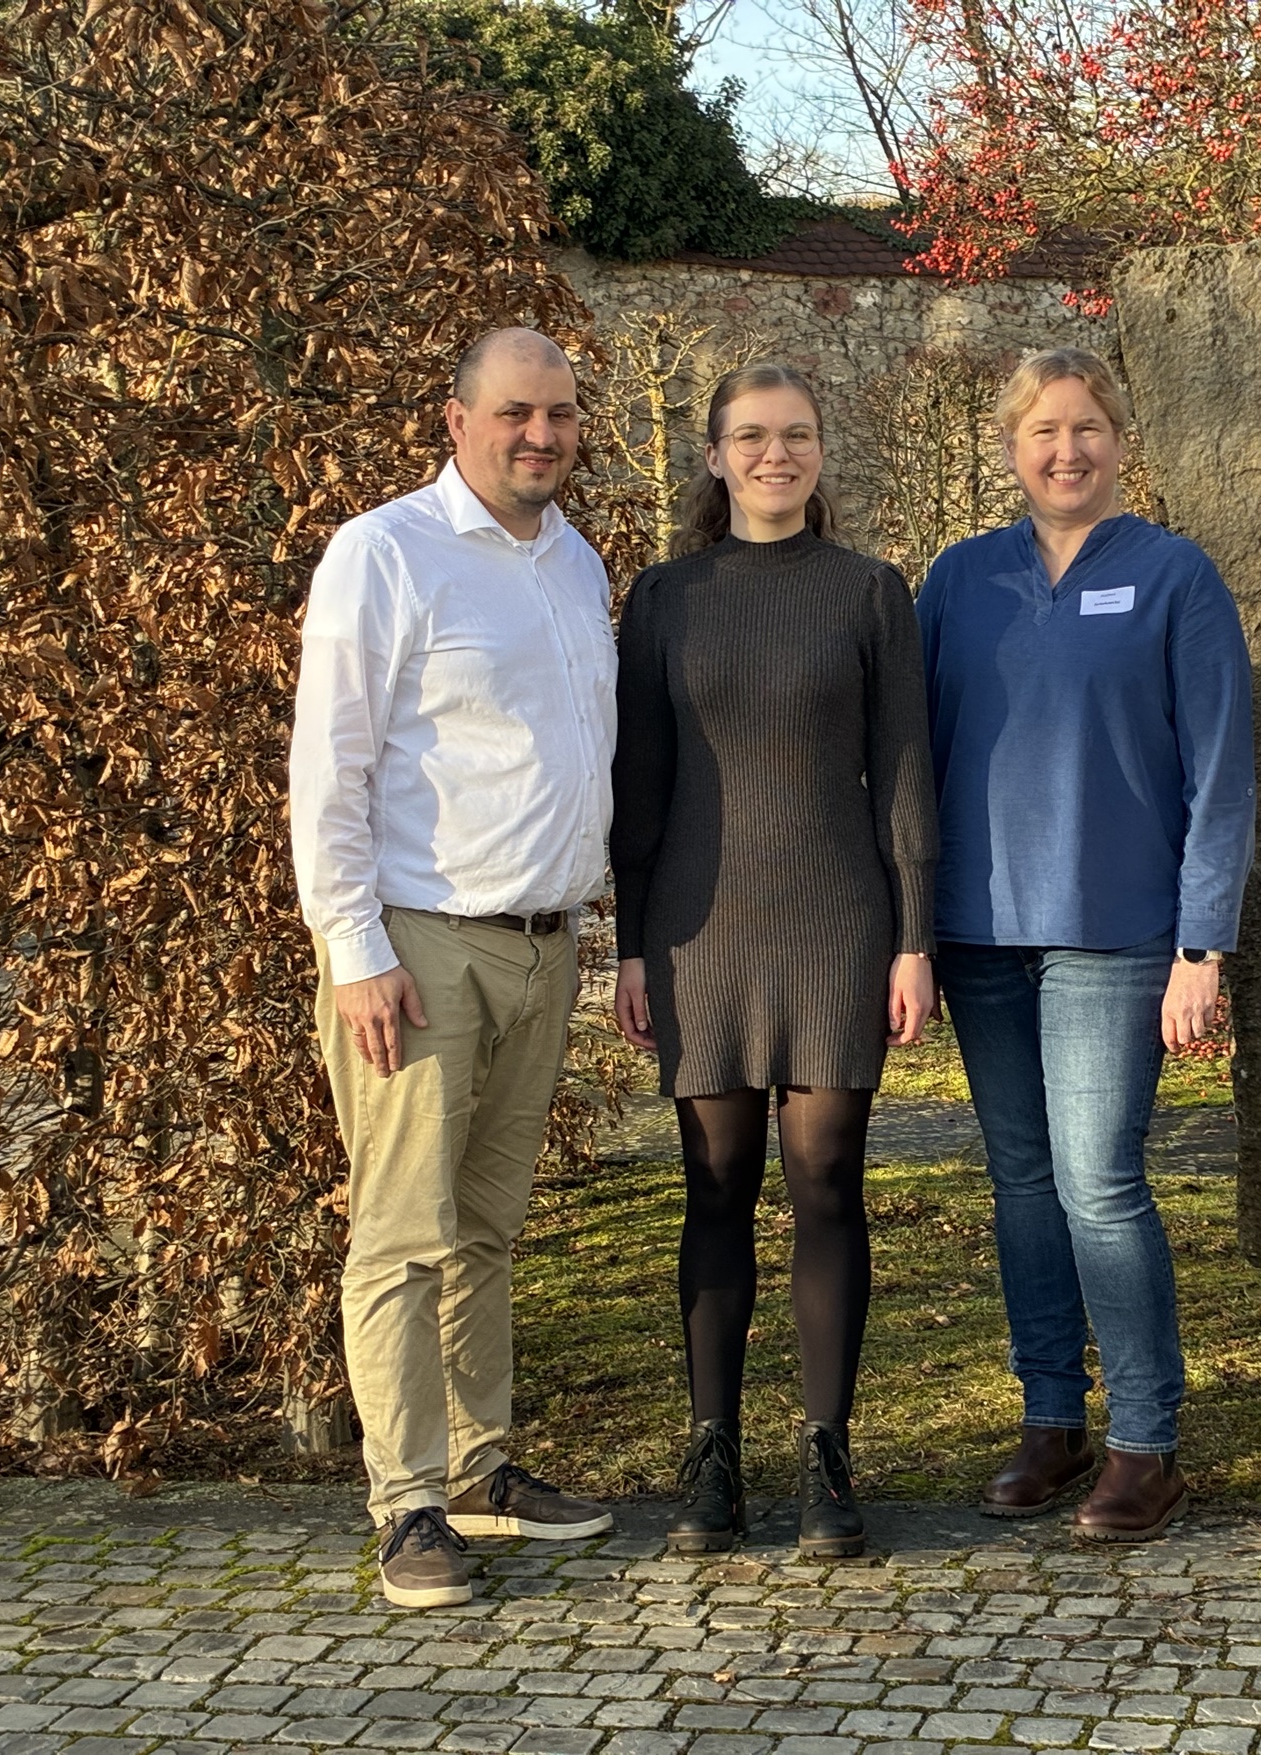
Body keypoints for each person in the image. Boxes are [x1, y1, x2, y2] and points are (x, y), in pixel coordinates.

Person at [289, 327, 619, 1611]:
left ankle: (481, 1471)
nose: (542, 435)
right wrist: (354, 948)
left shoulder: (574, 561)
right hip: (420, 945)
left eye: (560, 414)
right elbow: (332, 765)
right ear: (457, 420)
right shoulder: (387, 553)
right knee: (403, 1233)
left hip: (544, 943)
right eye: (516, 413)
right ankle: (408, 1507)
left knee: (485, 1228)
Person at [918, 346, 1255, 1543]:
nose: (1067, 451)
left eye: (1088, 428)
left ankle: (1145, 1443)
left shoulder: (1174, 577)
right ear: (1011, 448)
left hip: (1118, 936)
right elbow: (908, 762)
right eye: (1043, 432)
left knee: (1100, 1184)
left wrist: (1203, 947)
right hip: (979, 930)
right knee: (1021, 1182)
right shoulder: (959, 580)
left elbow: (1221, 774)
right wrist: (908, 930)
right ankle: (1051, 1418)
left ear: (1121, 440)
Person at [611, 361, 938, 1560]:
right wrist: (629, 944)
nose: (774, 454)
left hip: (835, 921)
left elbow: (904, 775)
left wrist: (914, 938)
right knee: (714, 1185)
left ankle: (825, 1454)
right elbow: (639, 787)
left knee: (826, 1182)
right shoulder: (665, 599)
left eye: (795, 434)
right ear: (714, 455)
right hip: (697, 928)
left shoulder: (869, 592)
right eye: (751, 436)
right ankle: (713, 1457)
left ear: (819, 453)